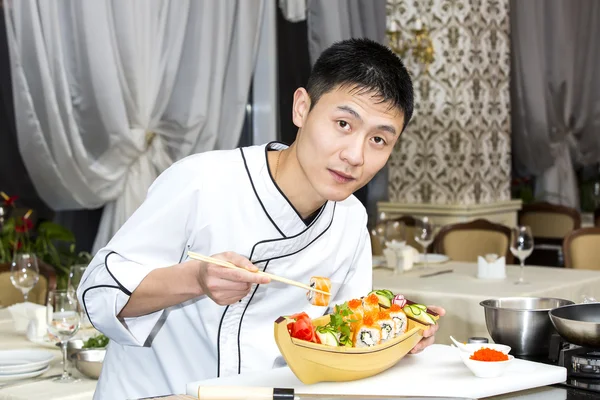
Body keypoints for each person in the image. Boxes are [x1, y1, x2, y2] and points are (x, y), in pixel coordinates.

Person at [77, 37, 445, 399]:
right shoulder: (203, 181)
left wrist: (395, 331)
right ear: (302, 107)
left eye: (379, 140)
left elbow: (345, 343)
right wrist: (196, 279)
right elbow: (98, 293)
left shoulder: (349, 220)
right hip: (158, 393)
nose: (355, 155)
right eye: (343, 124)